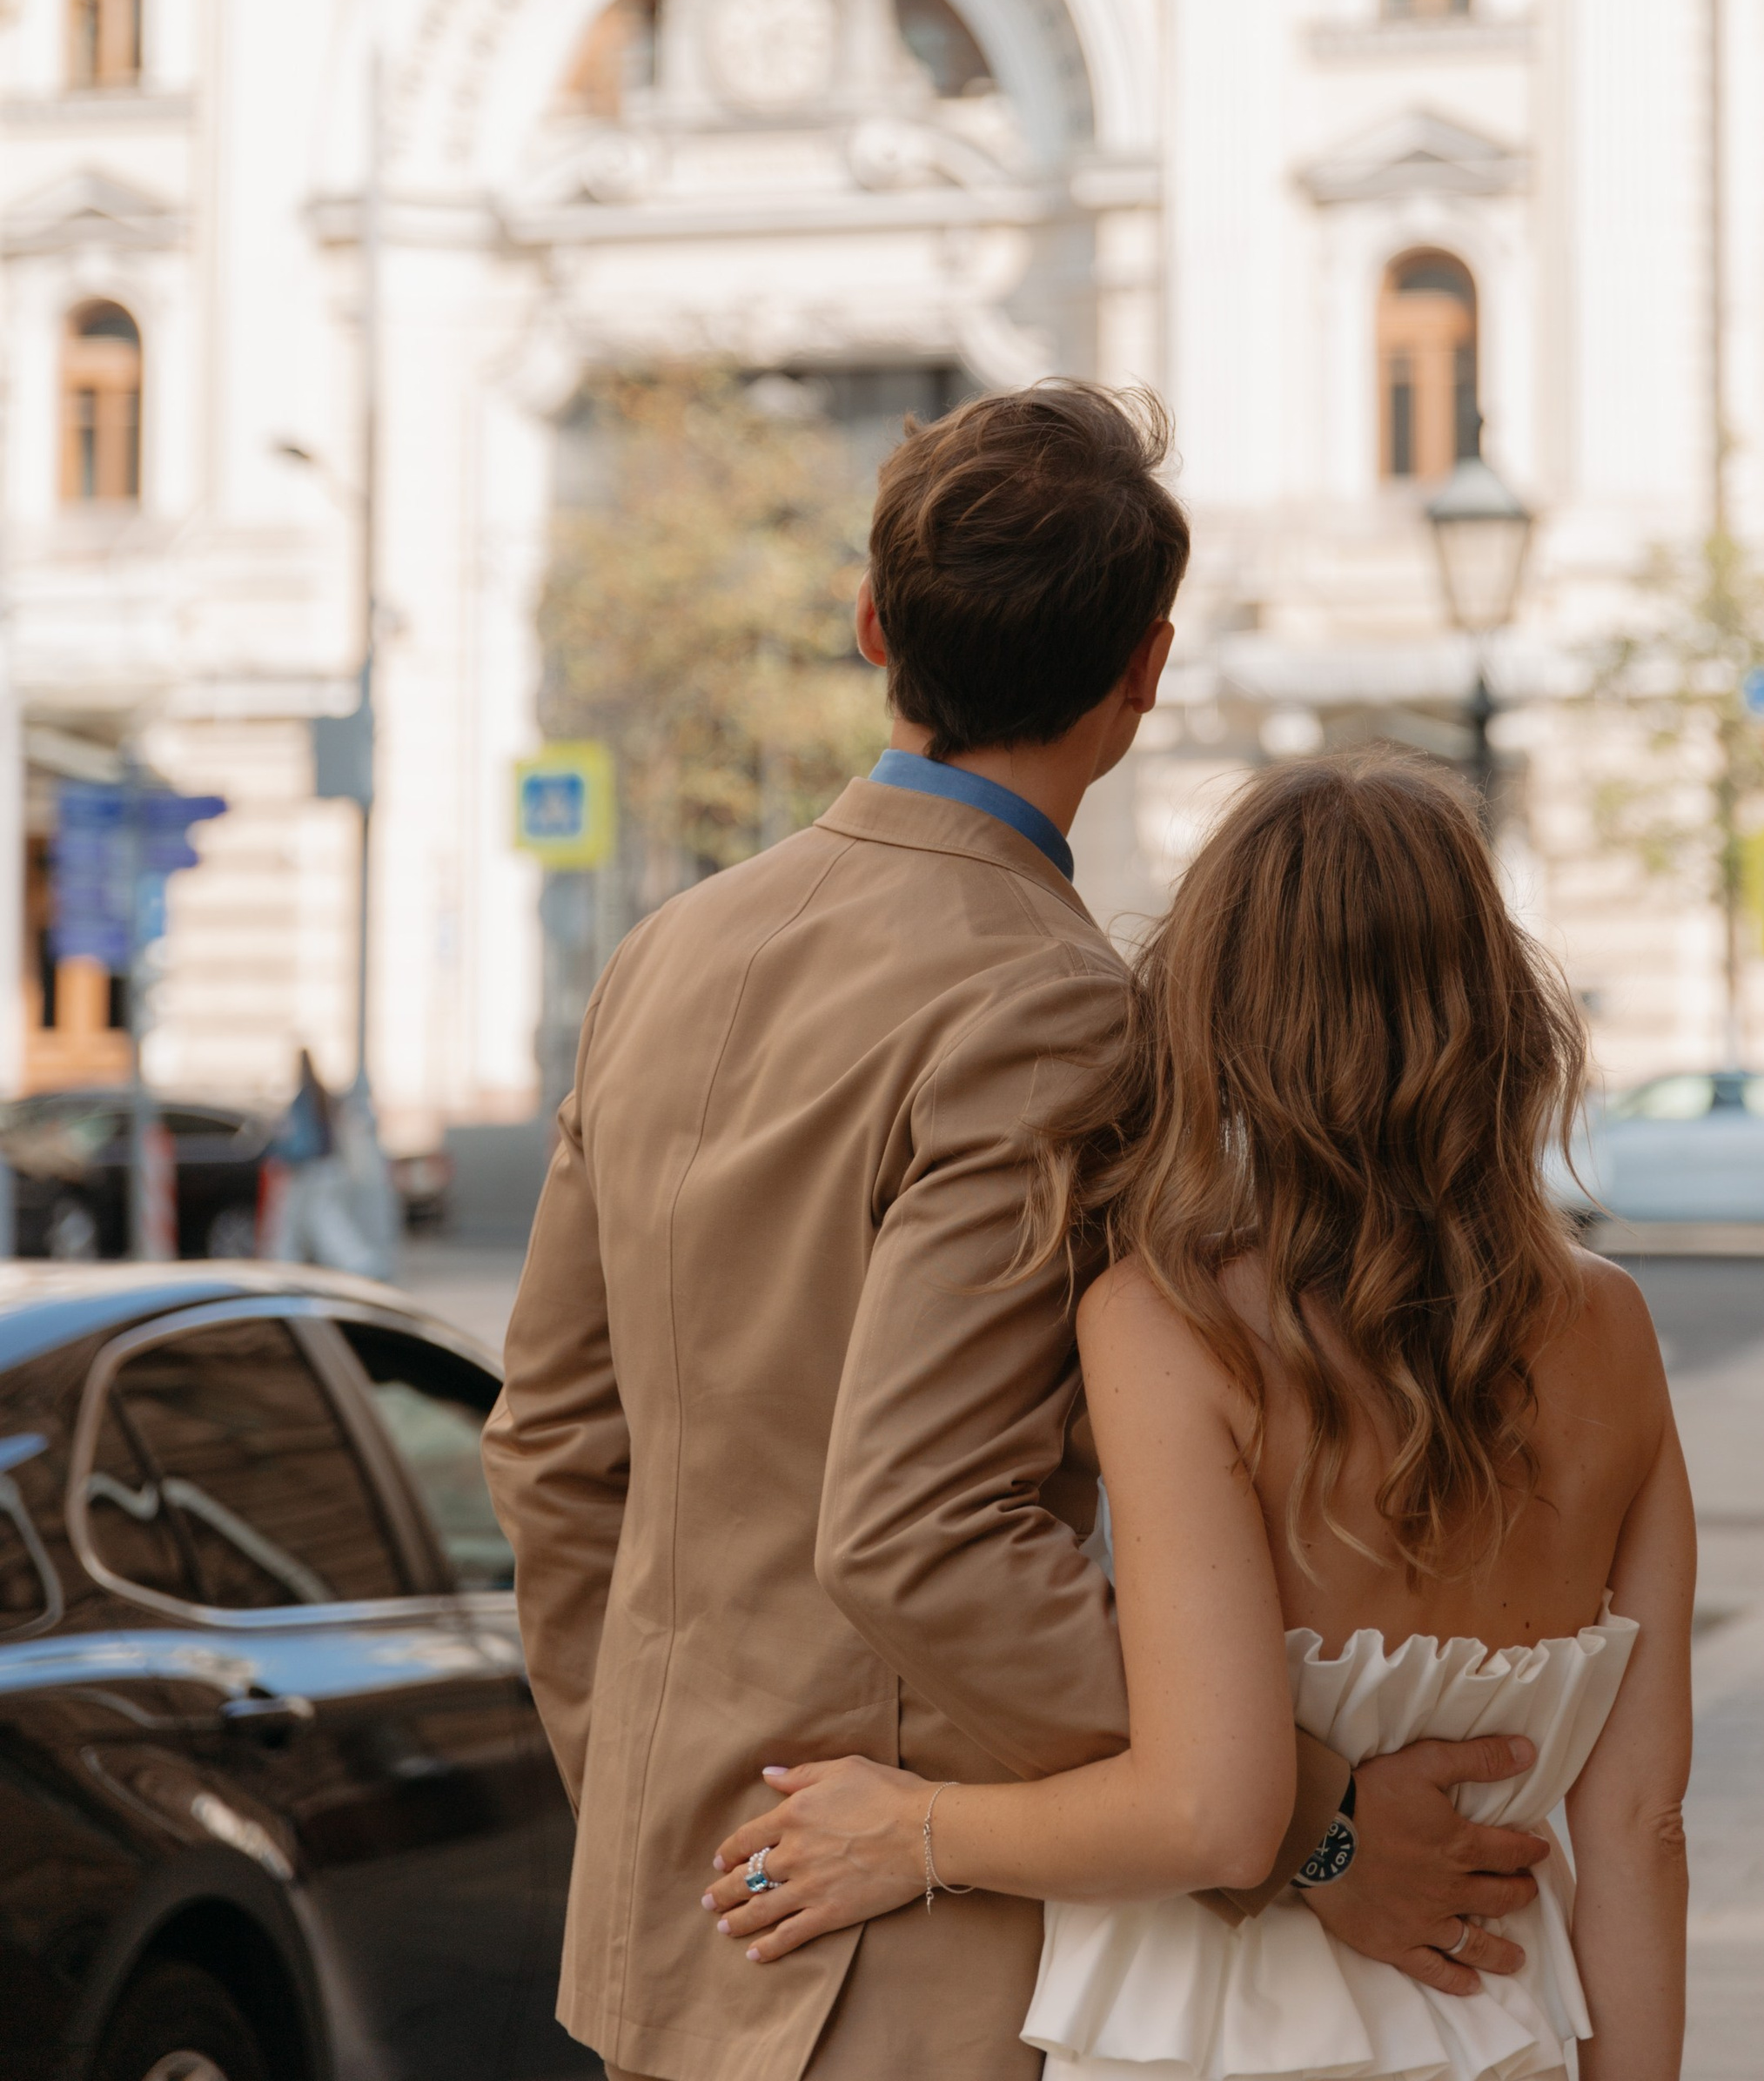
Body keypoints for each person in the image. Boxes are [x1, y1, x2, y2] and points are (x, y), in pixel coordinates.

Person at [485, 386, 1557, 2081]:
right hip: (906, 1945)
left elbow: (549, 1445)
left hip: (692, 1917)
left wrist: (657, 1778)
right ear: (1142, 669)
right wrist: (1312, 1821)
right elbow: (922, 1530)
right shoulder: (1046, 1002)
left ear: (867, 630)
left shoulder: (666, 949)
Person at [704, 749, 1695, 2081]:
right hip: (1496, 2021)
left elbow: (1211, 1816)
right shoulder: (1613, 1332)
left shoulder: (1174, 1327)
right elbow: (1638, 1828)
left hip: (1218, 2039)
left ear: (1217, 1011)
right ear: (1499, 1008)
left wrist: (915, 1831)